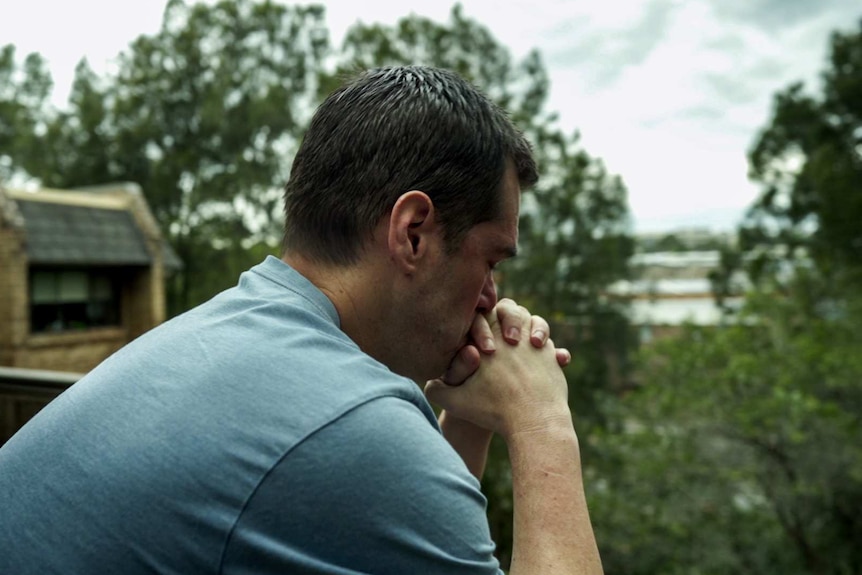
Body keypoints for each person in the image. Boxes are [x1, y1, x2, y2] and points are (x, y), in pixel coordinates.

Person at [0, 66, 602, 574]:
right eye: (491, 259)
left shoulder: (236, 331)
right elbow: (372, 473)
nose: (491, 296)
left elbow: (385, 544)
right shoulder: (351, 425)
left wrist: (467, 426)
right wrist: (541, 420)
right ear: (413, 233)